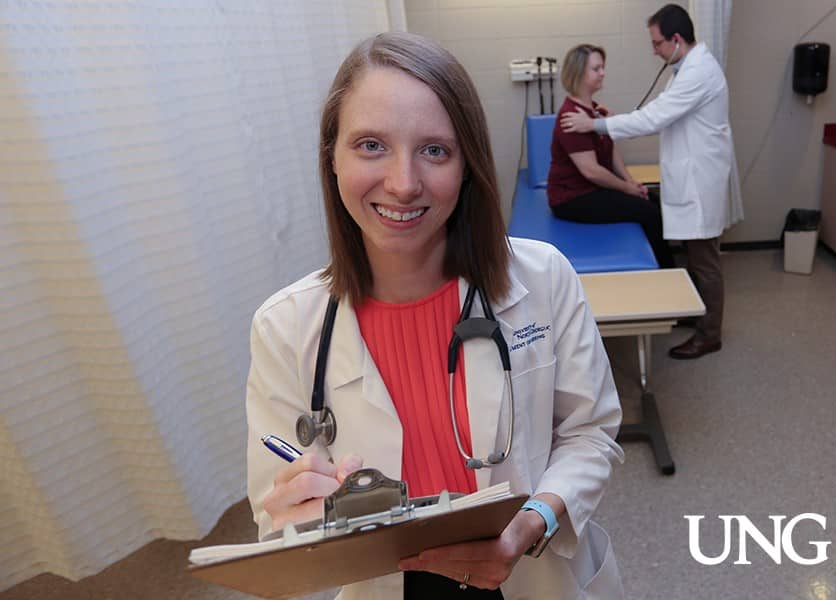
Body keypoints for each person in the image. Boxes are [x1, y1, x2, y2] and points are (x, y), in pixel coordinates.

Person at [244, 32, 625, 599]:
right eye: (371, 145)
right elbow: (276, 515)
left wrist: (536, 520)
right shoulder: (286, 327)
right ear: (332, 156)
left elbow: (589, 433)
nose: (403, 183)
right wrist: (297, 512)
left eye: (435, 150)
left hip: (534, 569)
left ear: (468, 162)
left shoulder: (544, 278)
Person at [562, 3, 743, 360]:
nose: (654, 50)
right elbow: (658, 112)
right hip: (692, 173)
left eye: (657, 43)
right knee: (696, 254)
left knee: (704, 258)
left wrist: (596, 125)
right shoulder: (685, 69)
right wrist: (611, 122)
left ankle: (709, 334)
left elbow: (654, 118)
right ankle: (699, 314)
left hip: (700, 178)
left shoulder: (699, 72)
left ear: (676, 39)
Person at [547, 44, 674, 269]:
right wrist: (627, 190)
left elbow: (611, 150)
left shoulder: (594, 110)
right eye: (596, 69)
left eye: (602, 67)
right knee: (649, 212)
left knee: (652, 200)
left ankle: (666, 264)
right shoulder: (571, 118)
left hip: (591, 190)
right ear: (579, 74)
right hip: (571, 199)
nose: (602, 73)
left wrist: (630, 182)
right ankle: (668, 271)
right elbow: (591, 171)